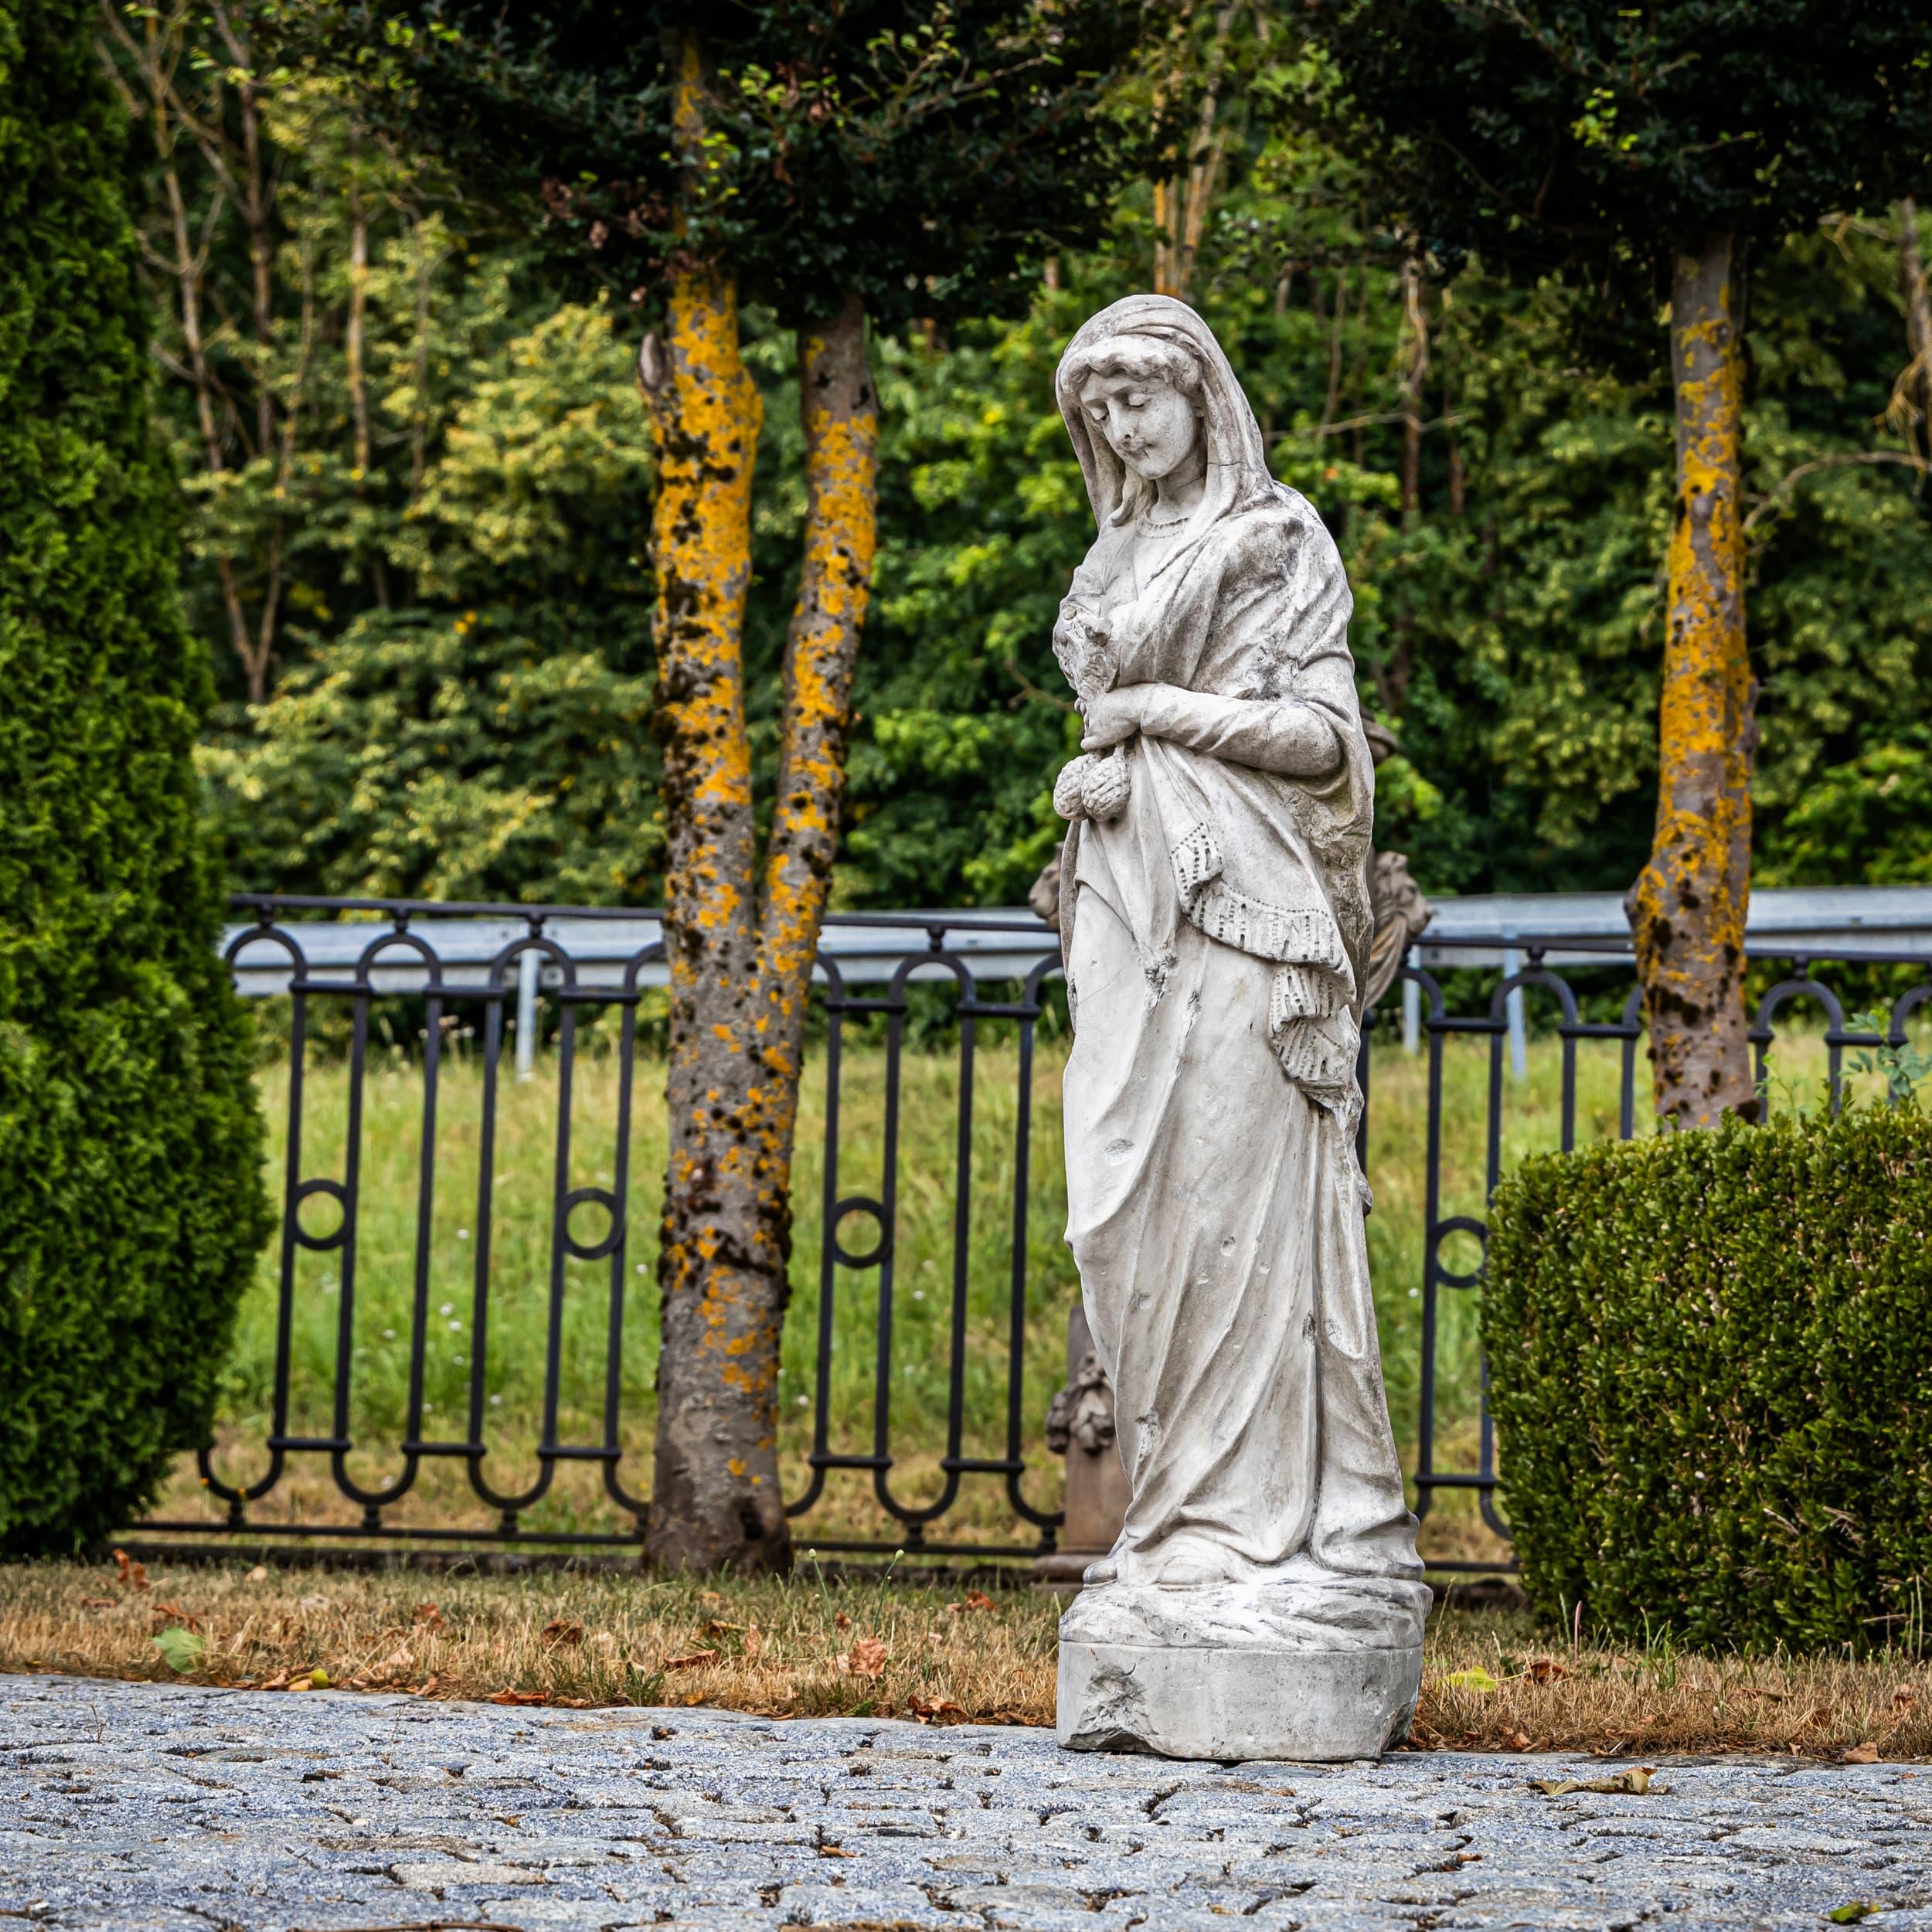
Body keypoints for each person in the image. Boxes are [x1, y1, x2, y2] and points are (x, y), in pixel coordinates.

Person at [1051, 294, 1424, 1619]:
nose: (1118, 426)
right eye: (1097, 410)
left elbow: (1329, 741)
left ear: (1202, 395)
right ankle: (1167, 1521)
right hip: (1125, 900)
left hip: (1247, 897)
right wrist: (1102, 768)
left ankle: (1258, 1531)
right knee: (1117, 1205)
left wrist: (1158, 715)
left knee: (1234, 1203)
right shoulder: (1109, 561)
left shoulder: (1276, 537)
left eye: (1138, 399)